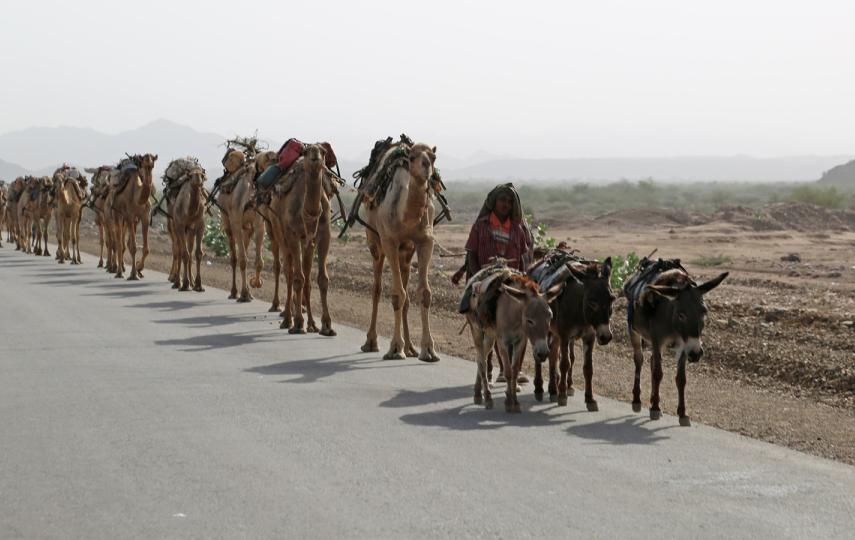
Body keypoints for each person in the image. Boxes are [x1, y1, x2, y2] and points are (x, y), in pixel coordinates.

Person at [455, 183, 534, 383]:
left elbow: (524, 257)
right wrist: (476, 278)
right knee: (483, 321)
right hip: (485, 278)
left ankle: (508, 370)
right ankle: (488, 367)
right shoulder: (481, 225)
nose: (505, 204)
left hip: (510, 281)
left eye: (509, 201)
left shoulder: (518, 229)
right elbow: (471, 254)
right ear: (494, 202)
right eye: (502, 200)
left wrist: (523, 280)